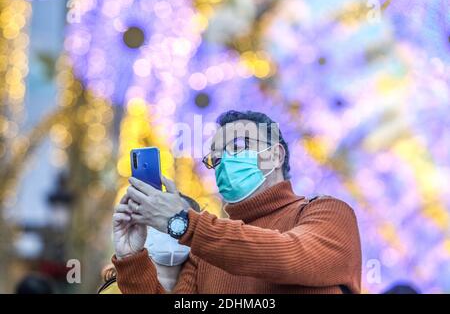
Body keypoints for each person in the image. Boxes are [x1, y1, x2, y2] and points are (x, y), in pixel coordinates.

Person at [112, 110, 362, 294]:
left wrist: (184, 222)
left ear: (274, 155)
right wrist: (131, 258)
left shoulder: (328, 213)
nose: (225, 163)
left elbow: (289, 257)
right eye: (216, 158)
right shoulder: (204, 250)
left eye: (238, 146)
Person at [98, 193, 201, 294]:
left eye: (180, 224)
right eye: (160, 220)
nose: (169, 229)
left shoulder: (209, 286)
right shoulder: (116, 291)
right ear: (144, 226)